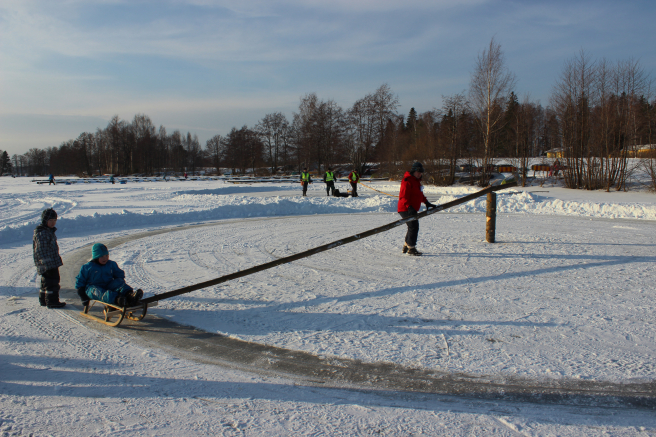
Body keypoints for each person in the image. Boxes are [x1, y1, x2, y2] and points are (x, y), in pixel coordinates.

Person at [75, 243, 143, 307]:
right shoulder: (87, 267)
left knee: (118, 282)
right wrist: (83, 296)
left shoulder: (111, 264)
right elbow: (80, 281)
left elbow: (119, 274)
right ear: (96, 257)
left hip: (108, 284)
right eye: (102, 256)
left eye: (107, 255)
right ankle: (117, 299)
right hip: (93, 288)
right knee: (98, 292)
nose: (105, 258)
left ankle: (130, 295)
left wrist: (120, 283)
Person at [397, 162, 436, 256]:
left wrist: (426, 202)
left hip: (410, 208)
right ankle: (411, 248)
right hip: (405, 208)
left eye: (421, 172)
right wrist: (409, 207)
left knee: (412, 226)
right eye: (418, 172)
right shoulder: (407, 181)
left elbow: (419, 194)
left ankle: (406, 245)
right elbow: (403, 196)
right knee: (413, 226)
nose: (419, 174)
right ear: (413, 171)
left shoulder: (416, 181)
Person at [33, 208, 65, 308]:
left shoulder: (48, 231)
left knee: (45, 282)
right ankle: (52, 301)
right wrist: (47, 262)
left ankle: (43, 300)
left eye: (54, 220)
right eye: (50, 220)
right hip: (48, 263)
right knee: (53, 282)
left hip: (49, 262)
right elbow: (41, 249)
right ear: (45, 220)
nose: (53, 223)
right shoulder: (43, 233)